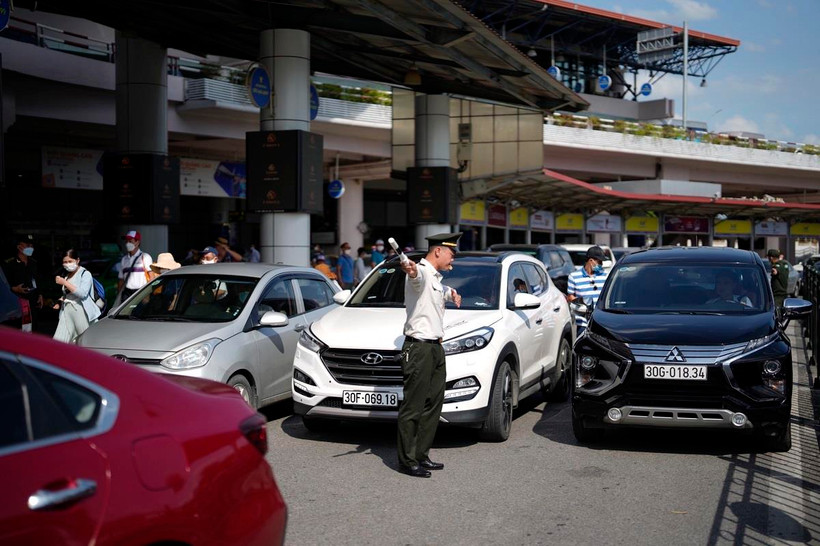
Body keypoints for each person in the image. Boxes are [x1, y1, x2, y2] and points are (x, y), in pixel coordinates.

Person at [397, 232, 462, 478]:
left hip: (435, 347)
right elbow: (416, 277)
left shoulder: (435, 278)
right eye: (451, 254)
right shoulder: (421, 272)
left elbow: (438, 290)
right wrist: (411, 269)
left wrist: (451, 293)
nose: (452, 259)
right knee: (413, 406)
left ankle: (421, 454)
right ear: (438, 251)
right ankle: (407, 460)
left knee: (433, 404)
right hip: (419, 348)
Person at [53, 249, 101, 343]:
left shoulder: (85, 274)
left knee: (84, 341)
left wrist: (64, 282)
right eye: (65, 262)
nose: (67, 264)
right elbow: (68, 294)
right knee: (58, 341)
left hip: (81, 311)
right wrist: (59, 301)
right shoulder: (66, 275)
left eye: (70, 261)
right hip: (66, 312)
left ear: (77, 260)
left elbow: (82, 294)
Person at [2, 234, 43, 331]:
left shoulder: (33, 263)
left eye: (32, 246)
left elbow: (36, 280)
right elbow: (3, 284)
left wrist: (40, 294)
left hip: (32, 300)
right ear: (19, 246)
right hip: (16, 301)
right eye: (28, 245)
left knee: (32, 328)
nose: (31, 248)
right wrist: (14, 288)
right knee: (17, 329)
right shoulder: (9, 263)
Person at [566, 245, 608, 335]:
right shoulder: (574, 277)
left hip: (601, 322)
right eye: (599, 262)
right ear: (591, 261)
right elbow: (570, 297)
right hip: (582, 323)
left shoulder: (605, 276)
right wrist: (582, 305)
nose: (601, 265)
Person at [117, 230, 154, 301]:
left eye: (130, 241)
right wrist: (119, 297)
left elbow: (151, 277)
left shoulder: (145, 257)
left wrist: (147, 294)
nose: (127, 243)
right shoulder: (124, 259)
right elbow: (121, 280)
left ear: (137, 242)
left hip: (141, 293)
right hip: (127, 294)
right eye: (126, 241)